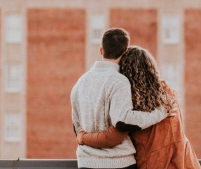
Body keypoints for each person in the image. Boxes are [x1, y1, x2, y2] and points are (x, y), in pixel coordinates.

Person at [76, 46, 201, 169]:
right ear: (151, 69)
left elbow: (113, 136)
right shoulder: (167, 94)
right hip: (183, 161)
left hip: (152, 164)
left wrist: (83, 137)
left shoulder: (133, 102)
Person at [71, 28, 175, 169]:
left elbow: (78, 129)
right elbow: (123, 120)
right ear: (125, 52)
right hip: (119, 163)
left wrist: (84, 138)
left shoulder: (80, 83)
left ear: (101, 50)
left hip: (86, 163)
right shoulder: (119, 81)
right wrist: (160, 112)